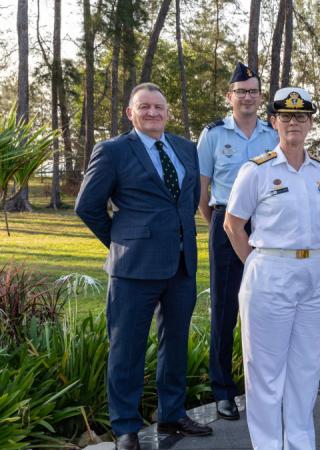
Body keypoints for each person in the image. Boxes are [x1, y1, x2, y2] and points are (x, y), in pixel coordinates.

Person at [75, 82, 211, 450]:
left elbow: (187, 202)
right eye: (144, 107)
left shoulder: (185, 148)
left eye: (158, 107)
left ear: (168, 112)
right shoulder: (113, 151)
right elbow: (87, 206)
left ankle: (172, 413)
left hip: (181, 265)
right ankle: (125, 427)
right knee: (127, 348)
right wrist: (123, 241)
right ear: (130, 113)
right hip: (133, 269)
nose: (152, 113)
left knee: (176, 344)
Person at [223, 87, 320, 449]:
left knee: (305, 369)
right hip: (271, 270)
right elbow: (232, 224)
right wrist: (258, 264)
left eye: (301, 117)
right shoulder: (255, 171)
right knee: (266, 372)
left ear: (310, 124)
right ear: (273, 121)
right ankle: (269, 444)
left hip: (317, 271)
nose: (293, 123)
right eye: (286, 117)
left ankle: (301, 443)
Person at [196, 61, 278, 420]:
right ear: (229, 97)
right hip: (226, 221)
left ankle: (261, 387)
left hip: (267, 226)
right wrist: (222, 225)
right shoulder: (213, 135)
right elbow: (201, 191)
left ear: (260, 97)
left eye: (253, 92)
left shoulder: (272, 134)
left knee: (266, 307)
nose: (247, 97)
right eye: (241, 92)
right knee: (225, 309)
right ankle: (223, 390)